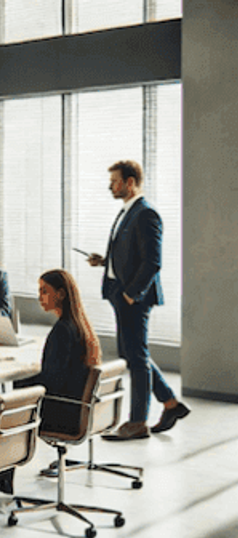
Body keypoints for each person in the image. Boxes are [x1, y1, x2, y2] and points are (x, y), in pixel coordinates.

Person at [86, 160, 190, 440]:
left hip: (134, 298)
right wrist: (105, 262)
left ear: (130, 182)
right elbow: (131, 255)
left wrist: (131, 294)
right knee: (134, 355)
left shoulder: (146, 214)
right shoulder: (128, 212)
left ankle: (137, 422)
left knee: (136, 358)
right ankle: (170, 404)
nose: (111, 186)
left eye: (115, 181)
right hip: (122, 294)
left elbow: (152, 262)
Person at [13, 269, 101, 436]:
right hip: (76, 411)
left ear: (60, 294)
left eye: (44, 291)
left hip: (60, 416)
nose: (39, 297)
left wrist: (14, 385)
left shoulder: (63, 331)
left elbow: (50, 383)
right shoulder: (80, 327)